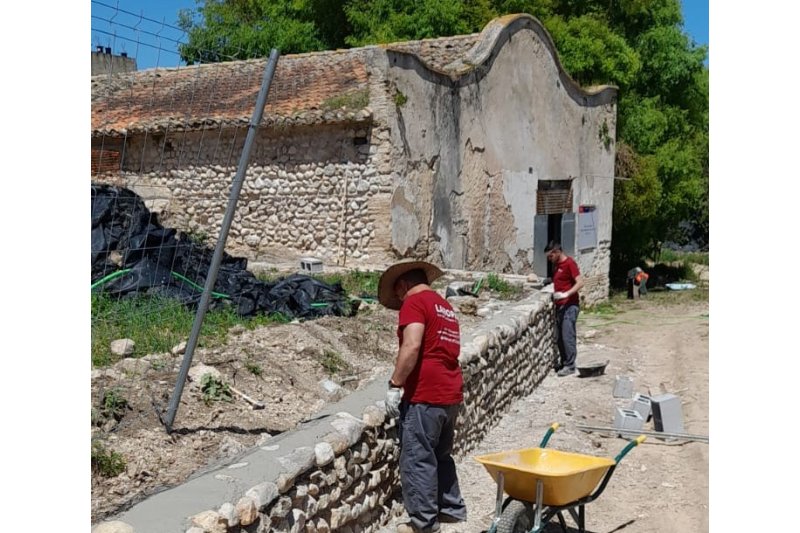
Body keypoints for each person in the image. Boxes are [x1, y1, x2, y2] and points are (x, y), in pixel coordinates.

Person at [378, 260, 467, 533]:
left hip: (425, 394)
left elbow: (412, 344)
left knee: (418, 459)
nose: (399, 300)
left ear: (404, 285)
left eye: (398, 294)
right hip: (450, 391)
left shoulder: (414, 303)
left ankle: (423, 524)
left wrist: (396, 384)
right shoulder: (444, 306)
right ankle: (450, 508)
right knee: (441, 455)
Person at [545, 241, 585, 376]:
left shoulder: (570, 264)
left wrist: (567, 294)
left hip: (570, 305)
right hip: (560, 305)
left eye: (550, 256)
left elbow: (580, 282)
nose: (549, 259)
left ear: (556, 252)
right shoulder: (557, 266)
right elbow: (560, 280)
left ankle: (570, 365)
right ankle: (564, 362)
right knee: (560, 337)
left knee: (567, 335)